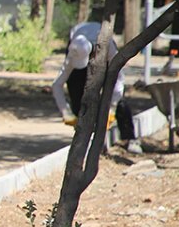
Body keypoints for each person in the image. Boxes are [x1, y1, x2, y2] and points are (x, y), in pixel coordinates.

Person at [52, 20, 141, 154]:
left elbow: (119, 79)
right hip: (80, 42)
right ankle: (84, 137)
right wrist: (66, 112)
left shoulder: (108, 46)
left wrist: (112, 107)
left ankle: (130, 138)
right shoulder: (74, 52)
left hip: (101, 46)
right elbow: (57, 84)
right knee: (77, 94)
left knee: (118, 100)